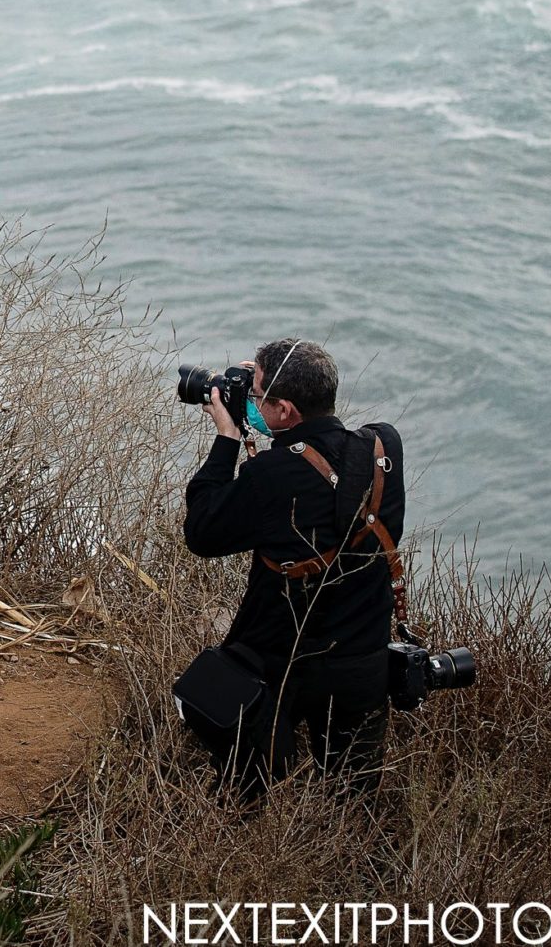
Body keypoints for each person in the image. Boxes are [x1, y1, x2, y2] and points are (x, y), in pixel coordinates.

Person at [180, 338, 403, 797]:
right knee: (354, 798)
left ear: (284, 410)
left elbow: (201, 533)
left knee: (245, 782)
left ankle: (254, 816)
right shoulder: (386, 446)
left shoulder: (273, 477)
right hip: (364, 658)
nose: (253, 403)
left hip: (283, 662)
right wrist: (266, 387)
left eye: (260, 396)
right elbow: (329, 463)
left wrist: (227, 439)